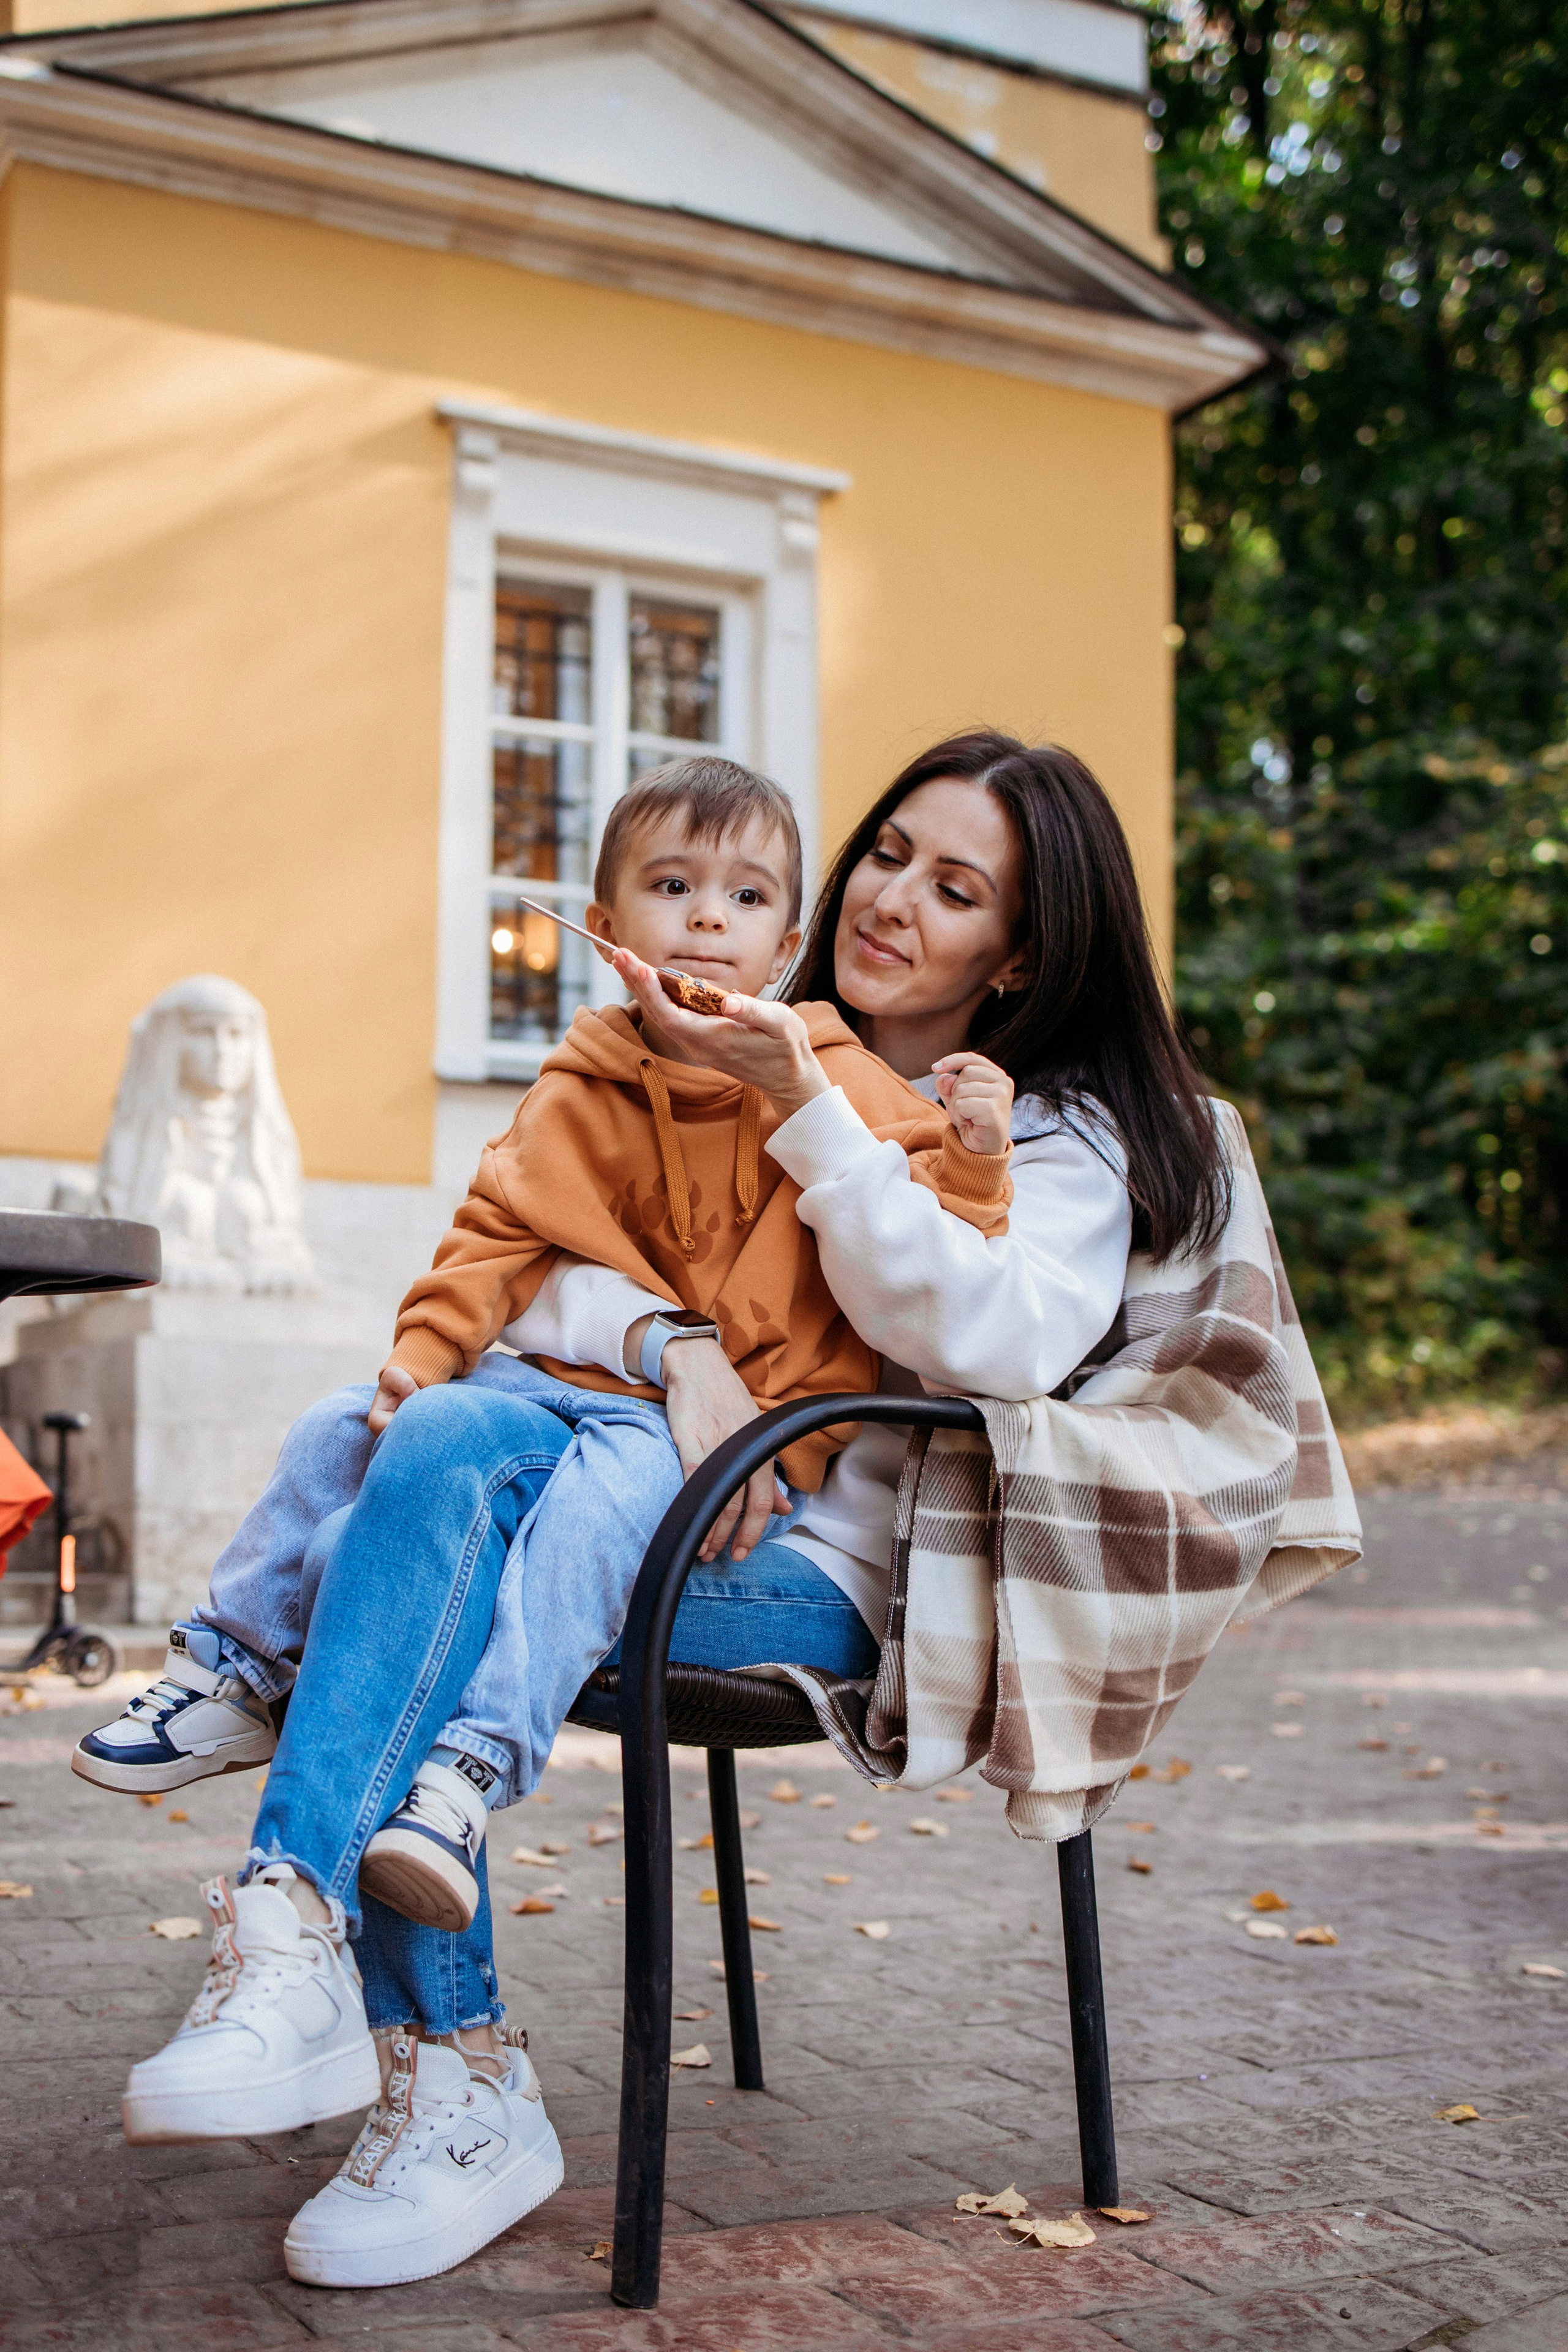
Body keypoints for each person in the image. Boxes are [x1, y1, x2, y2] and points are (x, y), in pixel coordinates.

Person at [113, 730, 1228, 2293]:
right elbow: (556, 1246)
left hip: (823, 1581)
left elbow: (997, 1337)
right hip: (636, 1484)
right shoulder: (708, 1043)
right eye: (891, 850)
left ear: (1021, 951)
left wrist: (806, 1108)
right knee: (434, 1444)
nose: (891, 895)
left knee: (424, 1524)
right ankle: (348, 1982)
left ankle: (407, 2031)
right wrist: (673, 1343)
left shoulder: (1033, 1129)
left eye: (955, 885)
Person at [77, 755, 1008, 1939]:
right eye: (675, 886)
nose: (710, 917)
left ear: (785, 944)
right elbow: (499, 1233)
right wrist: (423, 1350)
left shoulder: (837, 1075)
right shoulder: (580, 1081)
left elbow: (946, 1242)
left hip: (701, 1437)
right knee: (339, 1426)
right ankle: (233, 1667)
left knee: (488, 1529)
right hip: (547, 1387)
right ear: (611, 930)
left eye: (748, 897)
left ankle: (465, 1775)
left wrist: (979, 1156)